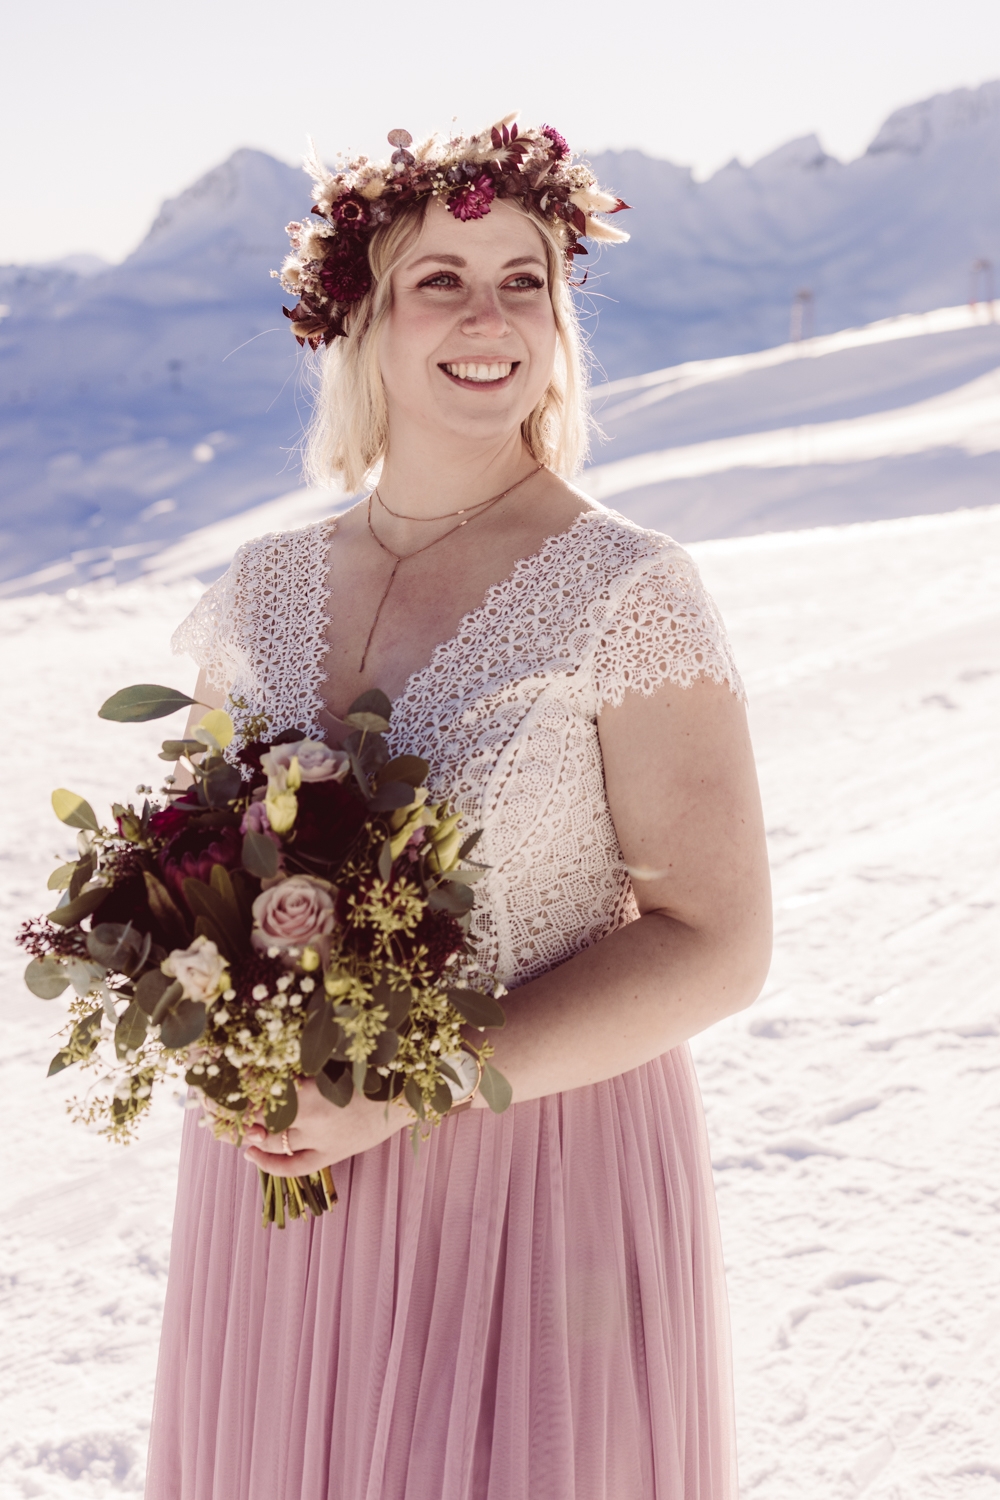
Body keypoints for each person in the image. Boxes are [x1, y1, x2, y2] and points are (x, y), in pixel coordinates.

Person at [146, 118, 772, 1500]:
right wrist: (217, 1030)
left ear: (559, 322)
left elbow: (715, 940)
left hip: (540, 1181)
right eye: (441, 279)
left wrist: (406, 1089)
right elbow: (199, 878)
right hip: (287, 1181)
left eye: (525, 279)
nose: (488, 315)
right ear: (359, 318)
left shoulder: (627, 588)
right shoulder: (259, 590)